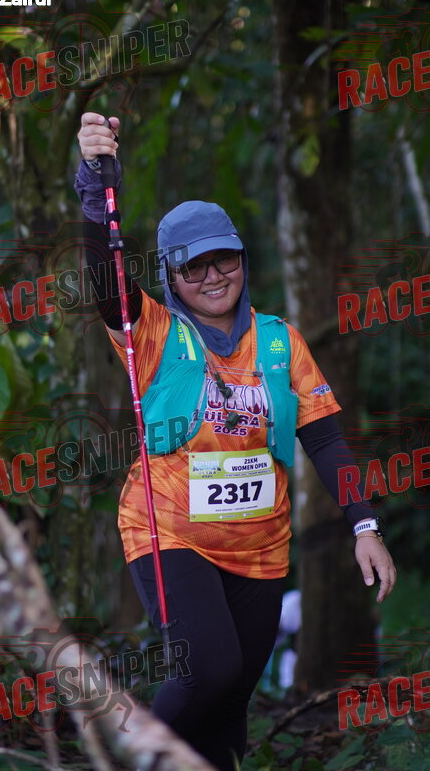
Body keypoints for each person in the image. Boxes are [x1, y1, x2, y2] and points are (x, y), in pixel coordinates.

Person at [74, 112, 397, 771]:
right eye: (193, 267)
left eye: (224, 259)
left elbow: (324, 440)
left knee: (230, 703)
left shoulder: (279, 341)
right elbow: (107, 285)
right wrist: (94, 188)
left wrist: (365, 525)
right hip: (171, 532)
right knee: (207, 667)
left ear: (242, 260)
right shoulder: (153, 333)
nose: (213, 275)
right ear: (171, 276)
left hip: (259, 545)